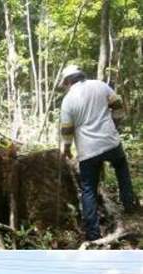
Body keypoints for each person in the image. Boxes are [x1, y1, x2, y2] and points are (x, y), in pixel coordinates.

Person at [59, 65, 137, 241]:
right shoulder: (100, 85)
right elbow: (118, 105)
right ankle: (129, 205)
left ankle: (93, 234)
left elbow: (67, 129)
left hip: (88, 150)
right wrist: (114, 125)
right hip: (111, 142)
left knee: (89, 190)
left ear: (68, 81)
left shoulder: (68, 100)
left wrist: (66, 148)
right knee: (121, 169)